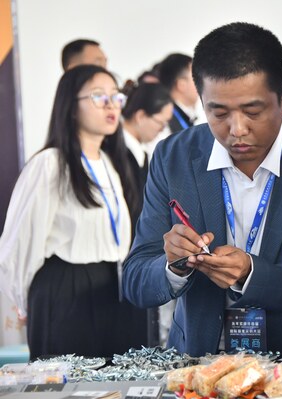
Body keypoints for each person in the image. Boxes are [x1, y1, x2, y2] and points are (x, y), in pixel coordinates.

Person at [123, 22, 282, 357]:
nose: (237, 130)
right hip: (196, 370)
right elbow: (135, 280)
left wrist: (251, 273)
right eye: (218, 113)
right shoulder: (174, 157)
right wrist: (172, 265)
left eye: (253, 111)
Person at [0, 65, 148, 358]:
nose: (110, 104)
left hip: (113, 288)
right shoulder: (50, 164)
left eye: (115, 96)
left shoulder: (111, 164)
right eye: (97, 96)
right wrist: (28, 301)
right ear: (70, 107)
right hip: (65, 291)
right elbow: (19, 243)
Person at [121, 81, 173, 229]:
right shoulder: (118, 153)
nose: (162, 130)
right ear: (141, 116)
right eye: (161, 123)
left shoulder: (140, 154)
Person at [158, 53, 200, 134]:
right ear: (181, 85)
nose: (201, 82)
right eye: (195, 77)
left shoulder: (187, 114)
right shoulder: (165, 124)